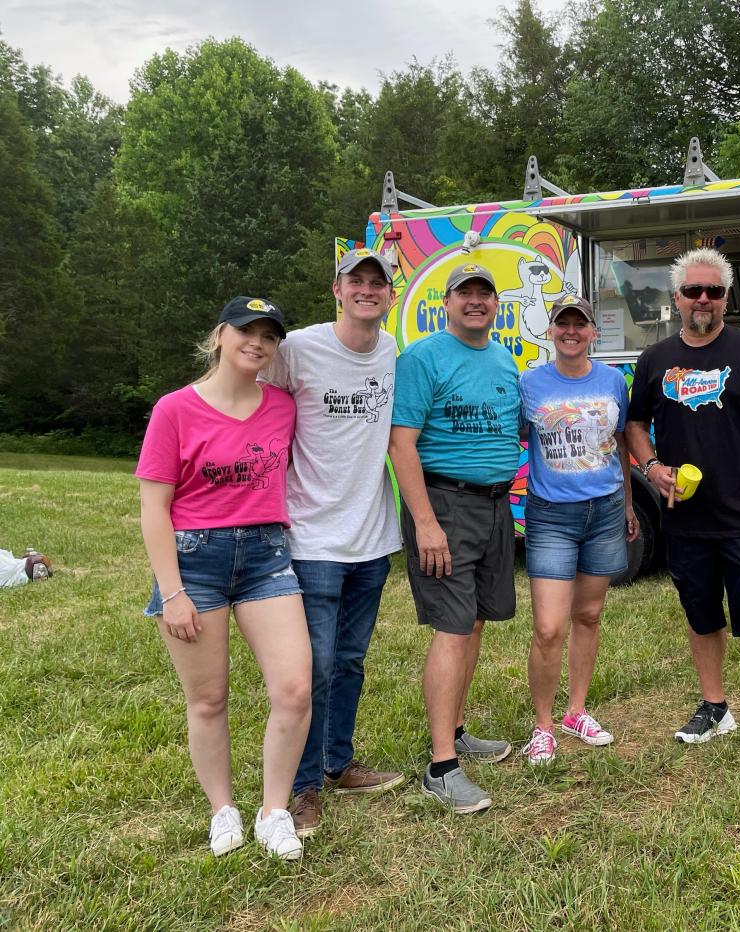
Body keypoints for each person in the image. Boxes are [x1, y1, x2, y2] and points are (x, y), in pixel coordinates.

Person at [136, 297, 311, 860]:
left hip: (266, 554)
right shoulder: (175, 409)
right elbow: (153, 509)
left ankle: (274, 811)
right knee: (208, 699)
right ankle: (222, 810)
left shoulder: (283, 405)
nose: (256, 342)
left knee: (294, 690)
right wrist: (173, 592)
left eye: (268, 335)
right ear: (219, 335)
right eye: (245, 330)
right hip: (194, 563)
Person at [625, 247, 740, 777]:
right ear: (676, 297)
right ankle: (715, 707)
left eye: (715, 291)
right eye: (693, 291)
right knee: (702, 618)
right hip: (685, 521)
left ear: (727, 297)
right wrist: (653, 467)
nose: (703, 300)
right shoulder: (654, 360)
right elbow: (635, 425)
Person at [262, 248, 404, 839]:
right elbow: (259, 405)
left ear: (389, 296)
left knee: (349, 662)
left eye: (378, 283)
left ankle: (339, 764)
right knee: (313, 668)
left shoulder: (393, 351)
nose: (368, 290)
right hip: (312, 537)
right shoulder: (299, 348)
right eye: (357, 281)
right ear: (337, 290)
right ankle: (303, 789)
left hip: (373, 538)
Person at [388, 261, 521, 813]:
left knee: (475, 620)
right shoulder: (423, 358)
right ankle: (441, 767)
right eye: (464, 293)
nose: (475, 301)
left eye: (484, 294)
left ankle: (458, 729)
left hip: (494, 506)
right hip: (445, 504)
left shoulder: (504, 359)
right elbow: (401, 443)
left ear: (496, 305)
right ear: (446, 303)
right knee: (451, 626)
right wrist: (425, 523)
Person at [518, 295, 638, 765]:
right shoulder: (529, 383)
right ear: (550, 330)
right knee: (549, 627)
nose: (571, 331)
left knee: (588, 617)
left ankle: (576, 712)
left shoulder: (613, 380)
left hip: (604, 510)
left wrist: (629, 502)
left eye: (580, 324)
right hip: (551, 516)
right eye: (562, 323)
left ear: (593, 332)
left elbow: (622, 443)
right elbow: (516, 439)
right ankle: (543, 726)